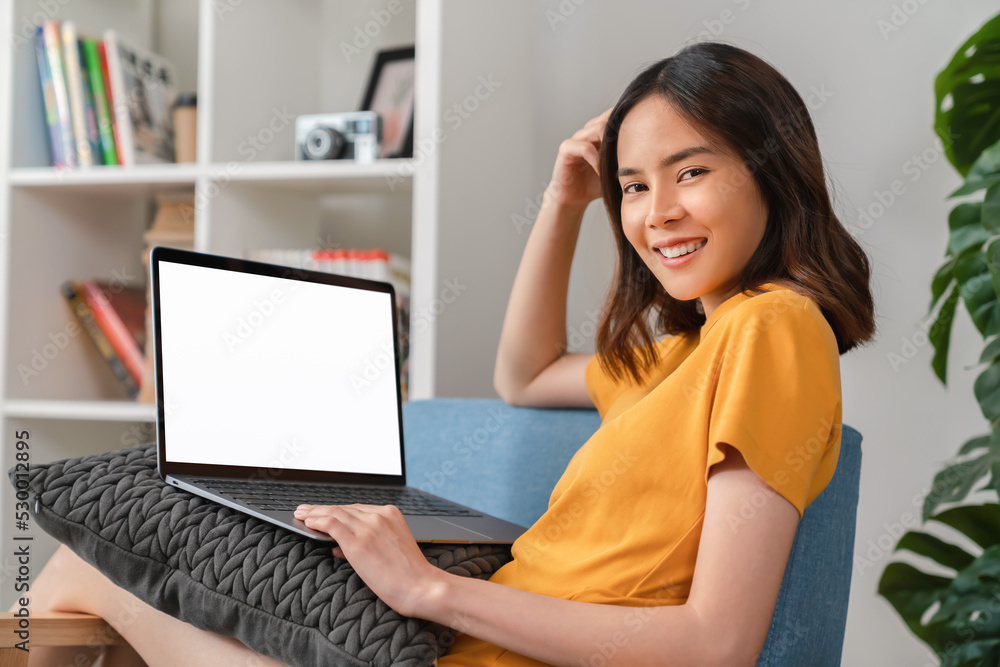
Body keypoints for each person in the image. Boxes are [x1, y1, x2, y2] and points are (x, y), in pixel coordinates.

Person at [19, 40, 875, 667]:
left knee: (83, 574)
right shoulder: (686, 353)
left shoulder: (775, 327)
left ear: (773, 168)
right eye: (635, 186)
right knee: (107, 574)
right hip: (438, 642)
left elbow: (715, 644)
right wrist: (563, 201)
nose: (656, 215)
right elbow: (527, 373)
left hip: (453, 639)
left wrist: (429, 588)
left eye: (690, 172)